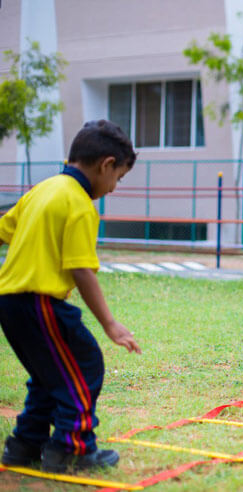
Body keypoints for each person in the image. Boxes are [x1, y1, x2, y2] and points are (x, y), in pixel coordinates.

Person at [0, 120, 141, 473]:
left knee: (52, 374)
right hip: (39, 302)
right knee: (84, 364)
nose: (113, 188)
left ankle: (25, 443)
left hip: (10, 303)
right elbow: (81, 270)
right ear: (106, 164)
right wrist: (110, 324)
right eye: (118, 178)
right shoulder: (79, 204)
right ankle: (72, 449)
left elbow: (3, 229)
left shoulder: (42, 190)